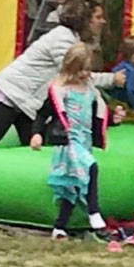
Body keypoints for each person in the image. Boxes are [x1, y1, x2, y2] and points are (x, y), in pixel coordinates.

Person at [0, 0, 115, 208]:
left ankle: (24, 199)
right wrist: (113, 80)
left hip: (28, 102)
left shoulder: (73, 39)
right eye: (98, 17)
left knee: (37, 148)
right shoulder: (62, 40)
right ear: (84, 20)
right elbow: (76, 76)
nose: (102, 22)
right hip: (11, 93)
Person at [30, 42, 108, 240]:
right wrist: (37, 133)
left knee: (71, 186)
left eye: (88, 70)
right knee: (91, 167)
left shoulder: (89, 89)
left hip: (85, 141)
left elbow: (94, 114)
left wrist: (112, 119)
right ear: (70, 67)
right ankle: (94, 212)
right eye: (80, 69)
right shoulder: (60, 89)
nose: (84, 74)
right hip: (68, 142)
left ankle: (59, 227)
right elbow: (42, 114)